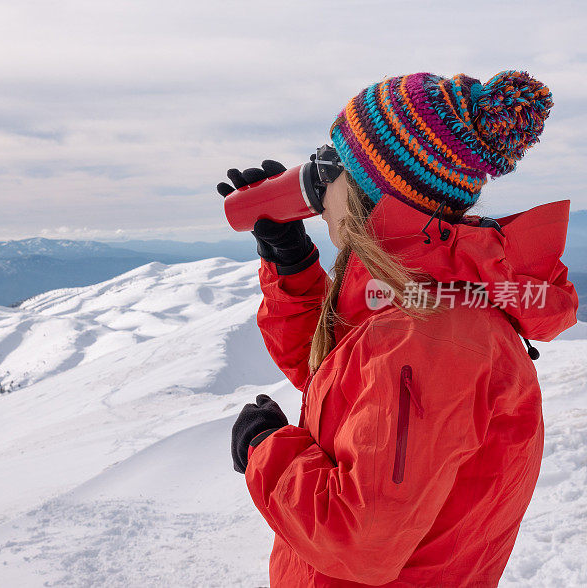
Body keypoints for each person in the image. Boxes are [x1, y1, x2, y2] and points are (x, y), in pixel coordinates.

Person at [220, 70, 579, 587]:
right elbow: (341, 383)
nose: (319, 187)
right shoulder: (420, 296)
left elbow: (359, 539)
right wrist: (292, 264)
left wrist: (267, 450)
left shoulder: (431, 338)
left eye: (331, 165)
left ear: (373, 194)